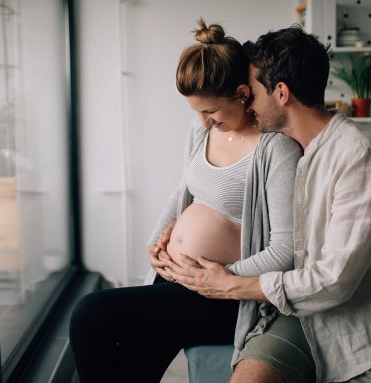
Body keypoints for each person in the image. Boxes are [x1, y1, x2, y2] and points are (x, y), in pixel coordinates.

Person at [164, 25, 371, 383]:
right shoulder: (295, 151)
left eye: (252, 92)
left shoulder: (360, 154)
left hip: (363, 330)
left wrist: (228, 283)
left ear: (280, 93)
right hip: (296, 319)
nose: (246, 102)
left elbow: (335, 282)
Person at [69, 19, 302, 383]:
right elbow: (184, 190)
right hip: (179, 281)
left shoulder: (275, 150)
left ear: (242, 93)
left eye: (211, 111)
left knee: (89, 315)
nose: (204, 121)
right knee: (130, 369)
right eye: (197, 112)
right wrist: (157, 239)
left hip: (223, 298)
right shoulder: (201, 130)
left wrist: (217, 278)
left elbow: (285, 250)